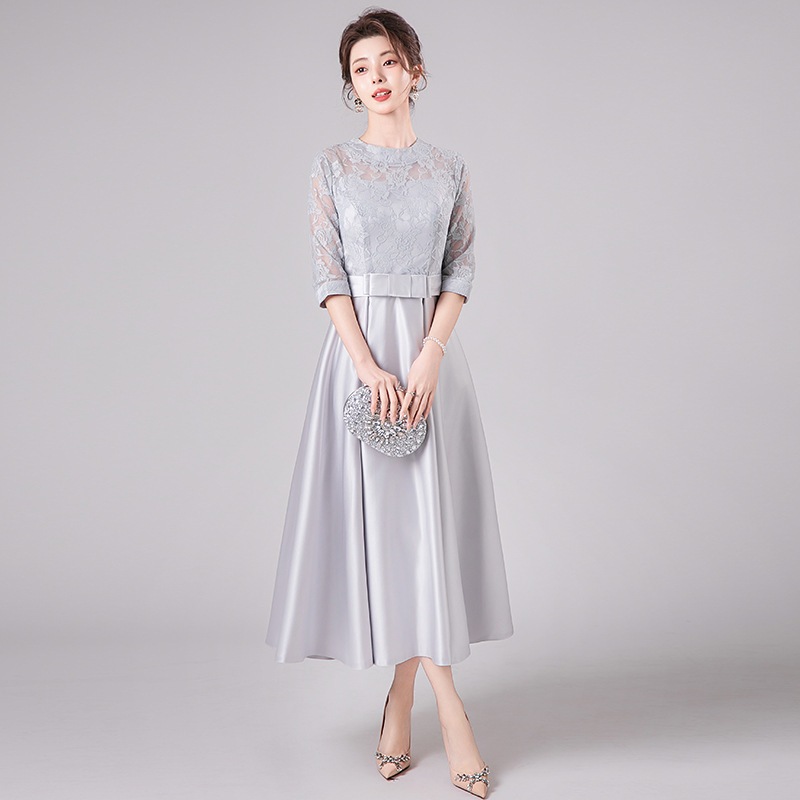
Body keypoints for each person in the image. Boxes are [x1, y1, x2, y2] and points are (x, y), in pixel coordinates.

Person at [265, 8, 513, 797]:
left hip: (430, 365)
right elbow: (328, 275)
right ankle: (450, 710)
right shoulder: (332, 166)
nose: (375, 77)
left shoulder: (450, 169)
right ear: (352, 85)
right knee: (391, 536)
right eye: (360, 69)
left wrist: (430, 355)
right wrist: (368, 365)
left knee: (422, 535)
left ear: (415, 69)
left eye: (387, 62)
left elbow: (460, 269)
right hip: (360, 365)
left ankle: (404, 698)